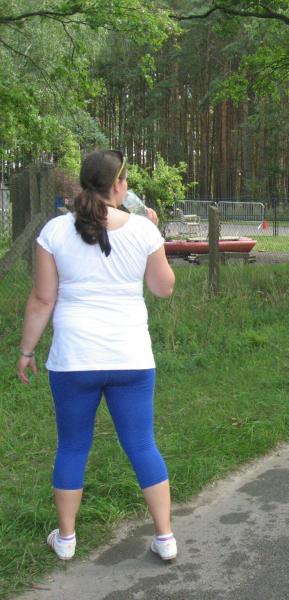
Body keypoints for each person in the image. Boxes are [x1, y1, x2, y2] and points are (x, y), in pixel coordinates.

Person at [15, 150, 177, 562]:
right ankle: (165, 537)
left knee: (72, 447)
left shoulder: (55, 231)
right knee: (142, 444)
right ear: (119, 185)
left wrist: (27, 350)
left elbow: (42, 299)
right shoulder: (142, 229)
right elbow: (163, 288)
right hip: (130, 357)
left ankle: (66, 539)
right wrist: (153, 236)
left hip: (74, 358)